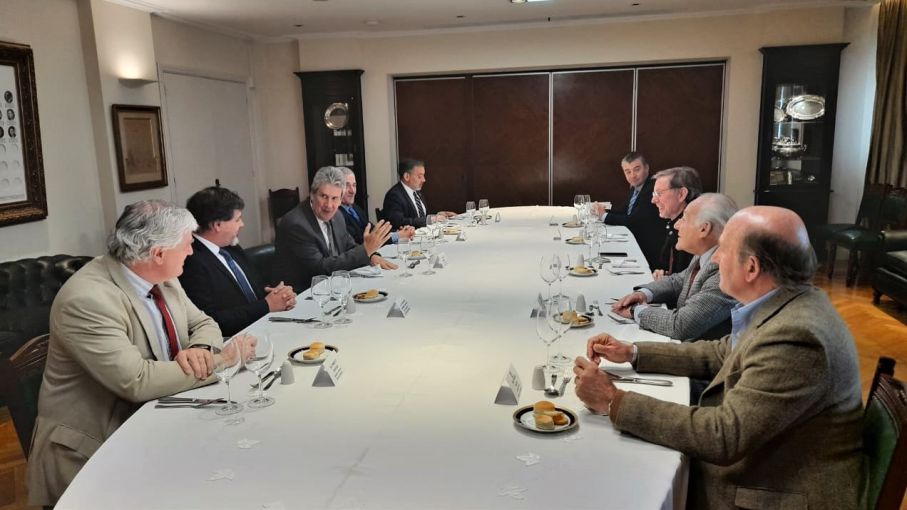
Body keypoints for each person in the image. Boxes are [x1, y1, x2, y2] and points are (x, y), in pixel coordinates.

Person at [574, 206, 862, 509]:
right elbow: (721, 351)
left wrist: (612, 400)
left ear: (751, 268)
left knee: (615, 479)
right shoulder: (788, 303)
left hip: (770, 491)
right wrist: (633, 352)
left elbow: (722, 436)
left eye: (723, 249)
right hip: (765, 468)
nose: (715, 258)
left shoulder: (797, 337)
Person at [27, 200, 226, 506]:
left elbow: (203, 322)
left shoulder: (163, 277)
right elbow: (137, 381)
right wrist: (222, 360)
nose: (191, 251)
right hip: (92, 454)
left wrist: (200, 349)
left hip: (153, 426)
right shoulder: (87, 299)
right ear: (158, 253)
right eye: (187, 245)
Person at [611, 193, 738, 340]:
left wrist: (636, 311)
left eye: (684, 219)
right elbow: (678, 280)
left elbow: (681, 326)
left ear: (704, 229)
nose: (676, 225)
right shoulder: (705, 253)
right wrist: (644, 293)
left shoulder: (724, 269)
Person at [179, 186, 296, 336]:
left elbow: (257, 287)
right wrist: (266, 305)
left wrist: (278, 295)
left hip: (265, 326)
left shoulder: (231, 246)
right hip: (236, 340)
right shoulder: (191, 262)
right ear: (217, 225)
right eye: (237, 219)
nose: (242, 224)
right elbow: (211, 321)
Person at [274, 166, 397, 291]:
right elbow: (321, 268)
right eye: (324, 196)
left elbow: (348, 245)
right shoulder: (296, 224)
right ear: (312, 195)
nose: (329, 205)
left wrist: (371, 255)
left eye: (334, 198)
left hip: (332, 286)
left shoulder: (337, 215)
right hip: (303, 295)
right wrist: (365, 250)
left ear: (341, 199)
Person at [590, 152, 664, 270]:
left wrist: (604, 216)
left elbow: (634, 221)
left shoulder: (651, 188)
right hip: (637, 241)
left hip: (648, 250)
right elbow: (626, 212)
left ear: (647, 168)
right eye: (627, 171)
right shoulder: (637, 187)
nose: (632, 175)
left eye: (636, 170)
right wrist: (604, 212)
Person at [338, 167, 414, 244]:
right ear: (337, 187)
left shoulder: (354, 208)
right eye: (347, 185)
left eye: (354, 185)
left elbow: (373, 230)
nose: (352, 191)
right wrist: (398, 236)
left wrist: (398, 233)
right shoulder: (337, 214)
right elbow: (362, 241)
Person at [650, 166, 702, 277]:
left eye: (659, 193)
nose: (653, 200)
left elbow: (690, 280)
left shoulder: (694, 231)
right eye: (654, 194)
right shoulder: (674, 224)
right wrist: (666, 275)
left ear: (682, 194)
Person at [382, 158, 456, 229]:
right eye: (419, 176)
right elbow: (398, 222)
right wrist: (430, 219)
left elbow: (423, 216)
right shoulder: (394, 195)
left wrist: (439, 215)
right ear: (407, 176)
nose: (424, 180)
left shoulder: (417, 192)